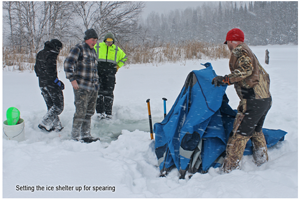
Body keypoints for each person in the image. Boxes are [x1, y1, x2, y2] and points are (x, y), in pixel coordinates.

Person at [211, 28, 272, 173]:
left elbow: (246, 69)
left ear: (231, 41)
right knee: (256, 131)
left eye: (227, 43)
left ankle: (230, 170)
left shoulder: (239, 50)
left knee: (238, 136)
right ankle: (262, 161)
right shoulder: (249, 52)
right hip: (265, 100)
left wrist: (226, 79)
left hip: (253, 102)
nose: (228, 46)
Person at [64, 29, 100, 143]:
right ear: (86, 39)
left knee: (89, 112)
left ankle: (85, 135)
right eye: (92, 40)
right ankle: (75, 137)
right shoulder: (78, 48)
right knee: (81, 111)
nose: (94, 42)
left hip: (93, 87)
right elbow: (68, 63)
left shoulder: (93, 51)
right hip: (82, 87)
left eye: (96, 40)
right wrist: (72, 79)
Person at [94, 32, 127, 119]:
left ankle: (108, 113)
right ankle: (99, 112)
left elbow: (124, 57)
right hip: (99, 73)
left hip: (110, 75)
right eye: (108, 41)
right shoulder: (98, 46)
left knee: (109, 93)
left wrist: (117, 66)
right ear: (105, 40)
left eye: (111, 41)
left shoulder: (116, 49)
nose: (109, 43)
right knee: (99, 93)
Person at [34, 39, 64, 132]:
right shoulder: (51, 55)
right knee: (58, 106)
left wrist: (43, 79)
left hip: (42, 84)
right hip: (51, 85)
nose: (59, 51)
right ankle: (44, 122)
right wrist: (57, 82)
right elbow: (50, 72)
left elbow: (36, 70)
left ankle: (57, 126)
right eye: (59, 48)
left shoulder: (40, 53)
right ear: (56, 47)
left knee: (51, 106)